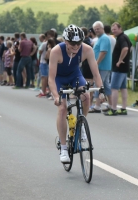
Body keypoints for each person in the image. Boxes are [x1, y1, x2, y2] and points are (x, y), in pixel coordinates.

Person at [48, 24, 104, 163]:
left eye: (79, 43)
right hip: (59, 79)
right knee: (62, 108)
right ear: (65, 41)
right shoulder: (56, 51)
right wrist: (56, 96)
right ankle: (64, 148)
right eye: (72, 43)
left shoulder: (87, 50)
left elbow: (96, 73)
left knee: (86, 96)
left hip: (75, 76)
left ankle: (81, 123)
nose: (76, 46)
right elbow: (51, 78)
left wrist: (101, 90)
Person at [104, 22, 131, 116]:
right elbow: (129, 48)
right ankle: (123, 108)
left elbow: (126, 49)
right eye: (112, 29)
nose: (113, 31)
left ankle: (114, 109)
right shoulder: (125, 37)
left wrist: (120, 60)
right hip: (124, 67)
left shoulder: (121, 38)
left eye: (115, 29)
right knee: (123, 88)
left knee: (114, 88)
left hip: (119, 67)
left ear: (120, 28)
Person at [89, 21, 112, 113]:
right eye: (95, 29)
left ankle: (97, 106)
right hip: (104, 66)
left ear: (102, 28)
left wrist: (96, 63)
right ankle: (111, 105)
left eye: (98, 28)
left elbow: (103, 52)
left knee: (98, 85)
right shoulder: (100, 38)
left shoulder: (104, 38)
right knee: (106, 85)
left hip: (102, 66)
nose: (96, 30)